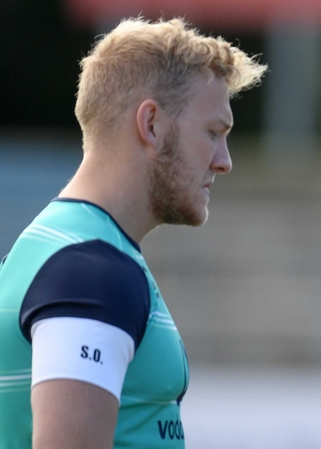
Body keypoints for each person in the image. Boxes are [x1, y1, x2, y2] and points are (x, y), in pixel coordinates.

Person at [0, 17, 266, 448]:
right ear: (152, 124)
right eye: (213, 133)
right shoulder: (91, 270)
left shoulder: (64, 251)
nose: (224, 161)